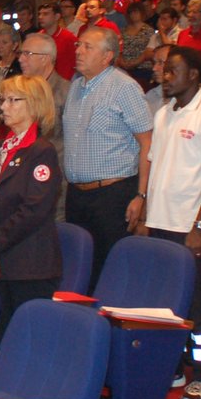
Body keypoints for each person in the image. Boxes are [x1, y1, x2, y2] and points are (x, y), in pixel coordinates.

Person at [136, 46, 201, 399]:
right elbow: (156, 166)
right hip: (160, 223)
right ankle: (173, 367)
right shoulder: (163, 114)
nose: (164, 76)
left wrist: (200, 226)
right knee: (165, 306)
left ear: (194, 74)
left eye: (172, 70)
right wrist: (145, 213)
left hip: (191, 227)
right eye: (163, 70)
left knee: (199, 305)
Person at [0, 75, 63, 350]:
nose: (5, 106)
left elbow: (33, 210)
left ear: (35, 105)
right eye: (3, 99)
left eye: (14, 100)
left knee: (24, 344)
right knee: (0, 339)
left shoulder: (41, 152)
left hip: (28, 264)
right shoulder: (3, 147)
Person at [63, 26, 154, 284]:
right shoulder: (76, 86)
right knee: (80, 268)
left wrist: (142, 195)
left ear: (107, 56)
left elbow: (147, 143)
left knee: (109, 270)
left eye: (87, 47)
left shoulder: (124, 87)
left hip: (112, 195)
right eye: (78, 45)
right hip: (77, 193)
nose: (78, 51)